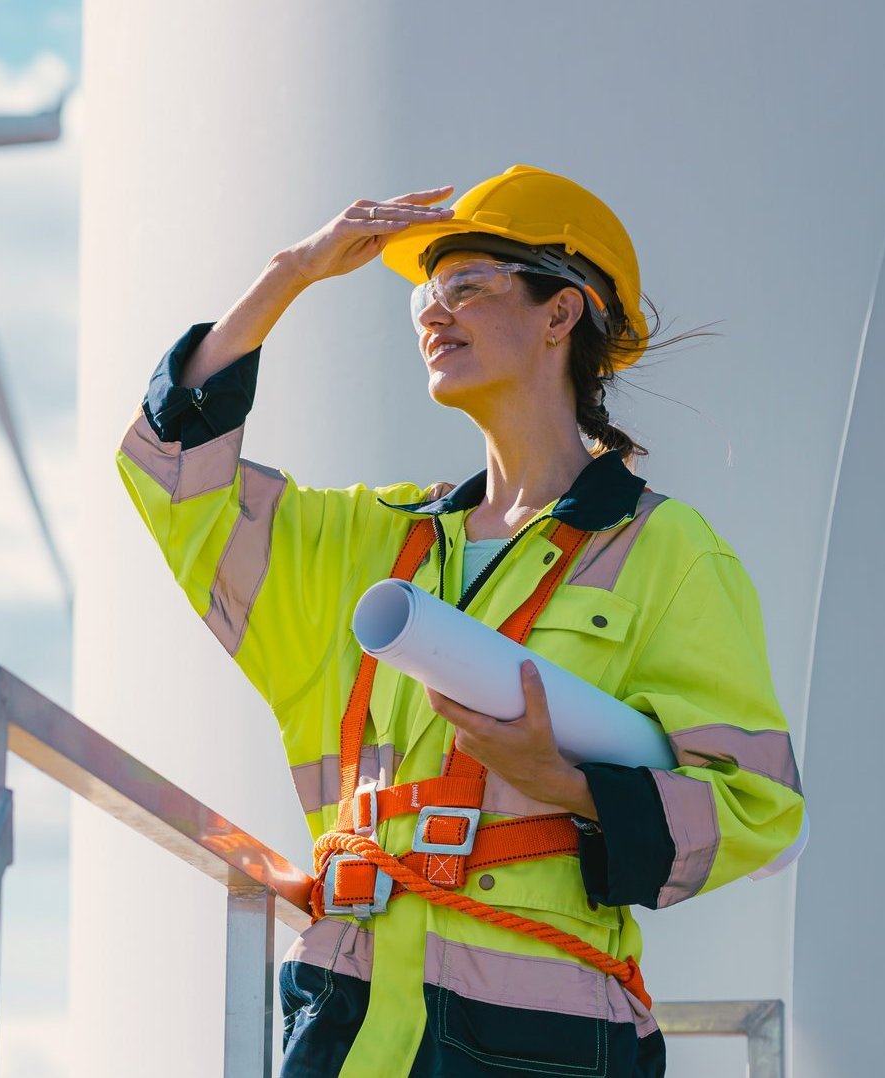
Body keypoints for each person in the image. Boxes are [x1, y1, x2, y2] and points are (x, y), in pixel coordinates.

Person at [114, 165, 805, 1077]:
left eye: (467, 289)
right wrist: (289, 272)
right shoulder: (362, 544)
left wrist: (563, 783)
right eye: (422, 304)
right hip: (347, 1021)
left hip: (543, 1039)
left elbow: (756, 807)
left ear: (562, 313)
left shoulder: (666, 552)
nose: (433, 316)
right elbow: (170, 471)